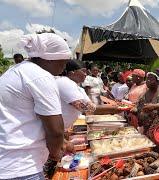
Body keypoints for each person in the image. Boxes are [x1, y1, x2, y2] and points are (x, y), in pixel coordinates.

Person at [0, 33, 71, 179]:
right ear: (49, 59)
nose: (64, 66)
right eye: (63, 62)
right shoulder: (41, 76)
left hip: (9, 162)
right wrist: (57, 155)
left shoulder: (16, 71)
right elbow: (55, 130)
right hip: (22, 166)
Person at [135, 72, 159, 166]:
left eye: (151, 79)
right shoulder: (144, 95)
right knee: (151, 156)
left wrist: (154, 106)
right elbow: (139, 108)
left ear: (158, 80)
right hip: (147, 130)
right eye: (147, 79)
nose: (148, 81)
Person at [56, 60, 96, 129]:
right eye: (83, 71)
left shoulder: (79, 88)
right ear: (72, 72)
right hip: (56, 129)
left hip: (65, 127)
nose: (85, 74)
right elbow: (83, 106)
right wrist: (113, 108)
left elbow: (90, 105)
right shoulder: (64, 82)